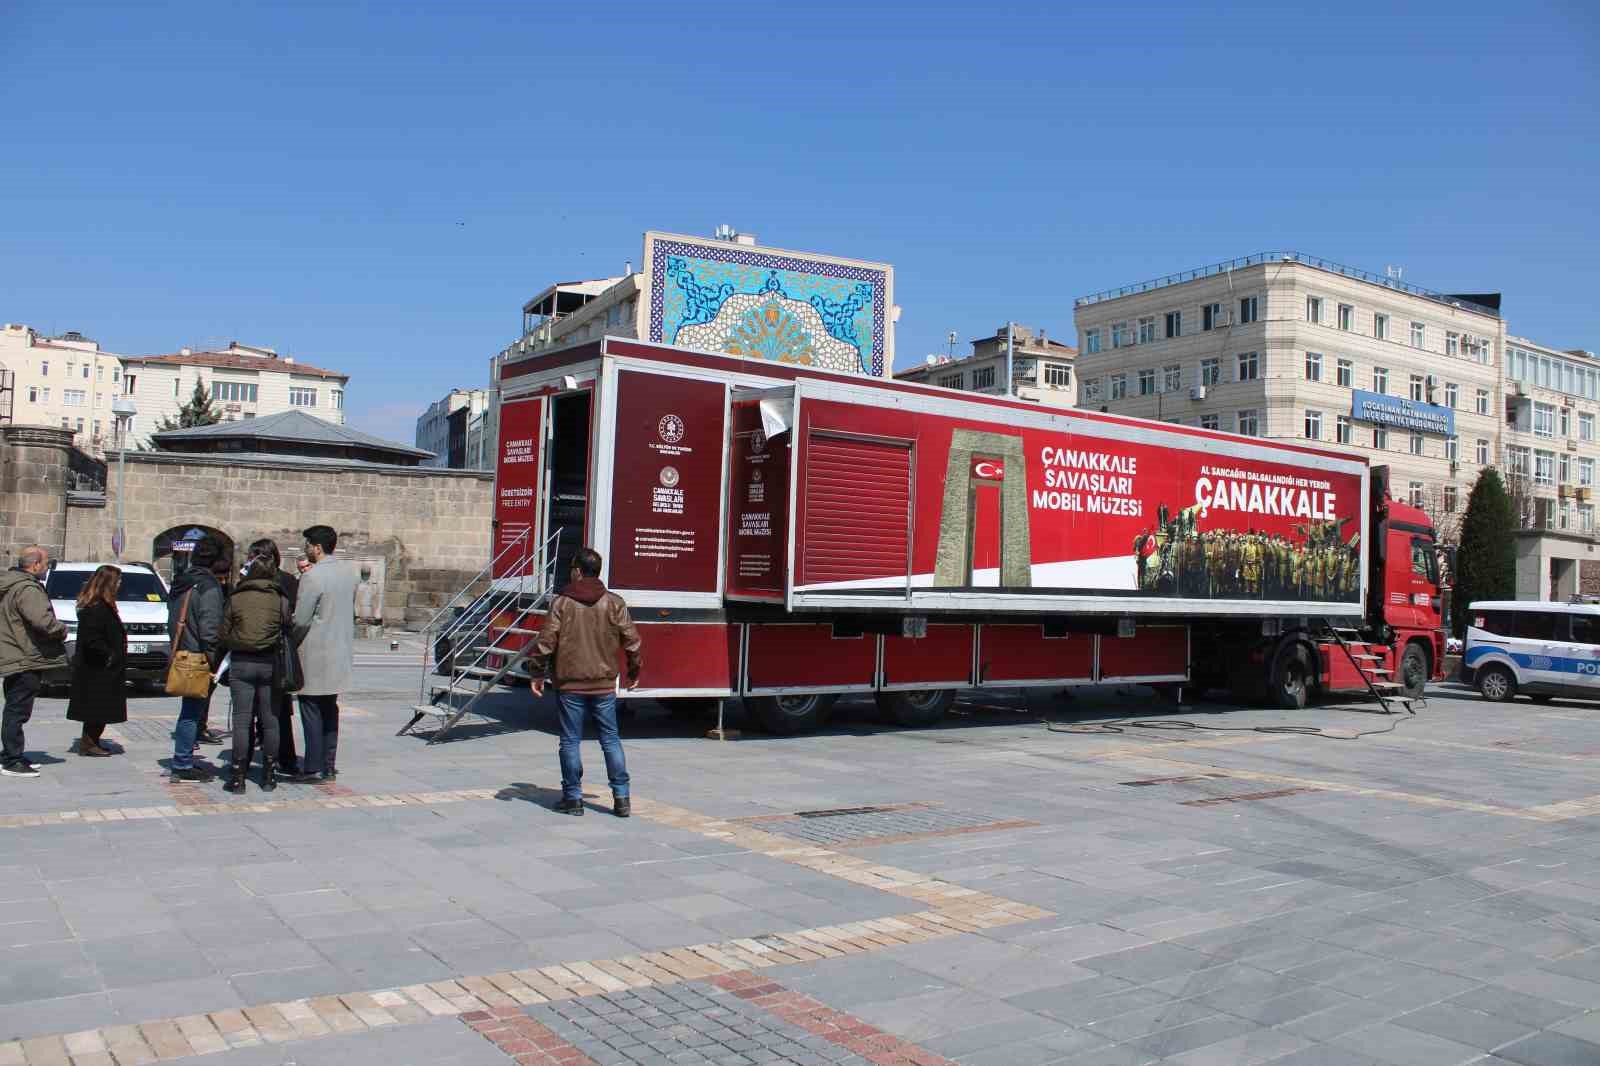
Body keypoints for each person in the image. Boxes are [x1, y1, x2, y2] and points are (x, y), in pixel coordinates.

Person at [528, 547, 642, 818]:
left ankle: (573, 799)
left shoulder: (561, 603)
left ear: (578, 571)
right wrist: (634, 671)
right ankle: (622, 798)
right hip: (604, 683)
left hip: (570, 683)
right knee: (610, 739)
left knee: (570, 741)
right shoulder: (615, 602)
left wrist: (537, 673)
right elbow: (632, 640)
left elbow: (546, 642)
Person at [291, 525, 356, 782]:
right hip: (340, 649)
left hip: (315, 652)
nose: (306, 549)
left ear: (317, 547)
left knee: (310, 708)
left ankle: (313, 766)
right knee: (330, 709)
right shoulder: (348, 574)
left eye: (307, 545)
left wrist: (290, 641)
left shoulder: (312, 576)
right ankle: (328, 764)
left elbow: (301, 619)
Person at [219, 551, 288, 793]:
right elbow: (288, 626)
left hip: (242, 662)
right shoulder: (280, 598)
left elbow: (223, 632)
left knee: (242, 720)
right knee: (270, 721)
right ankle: (269, 775)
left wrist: (237, 642)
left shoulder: (237, 597)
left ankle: (238, 777)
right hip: (270, 663)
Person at [0, 545, 68, 777]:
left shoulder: (11, 583)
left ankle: (10, 755)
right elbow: (42, 621)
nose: (47, 567)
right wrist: (61, 629)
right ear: (35, 564)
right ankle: (12, 761)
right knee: (17, 710)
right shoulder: (27, 588)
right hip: (25, 656)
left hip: (14, 653)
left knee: (14, 707)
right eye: (46, 563)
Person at [167, 538, 225, 782]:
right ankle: (182, 762)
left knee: (188, 711)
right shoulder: (208, 586)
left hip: (182, 651)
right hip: (198, 656)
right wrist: (215, 662)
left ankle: (183, 758)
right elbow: (210, 630)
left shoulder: (181, 582)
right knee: (192, 712)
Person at [244, 538, 302, 775]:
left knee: (251, 712)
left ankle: (245, 761)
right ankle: (284, 759)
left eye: (251, 557)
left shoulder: (249, 582)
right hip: (278, 651)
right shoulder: (288, 581)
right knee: (278, 711)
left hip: (256, 652)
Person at [66, 565, 128, 757]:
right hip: (97, 668)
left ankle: (92, 741)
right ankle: (89, 743)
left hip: (104, 667)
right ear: (108, 583)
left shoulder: (103, 605)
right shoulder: (95, 607)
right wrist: (109, 655)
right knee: (96, 707)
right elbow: (92, 639)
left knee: (101, 708)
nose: (120, 584)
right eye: (117, 581)